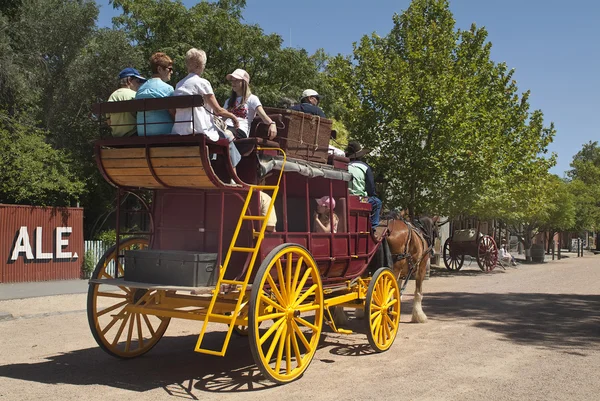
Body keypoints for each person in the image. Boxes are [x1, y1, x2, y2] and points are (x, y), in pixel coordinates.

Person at [171, 48, 241, 168]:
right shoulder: (203, 83)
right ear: (200, 65)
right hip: (199, 130)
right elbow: (218, 110)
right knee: (227, 138)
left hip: (179, 130)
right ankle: (233, 177)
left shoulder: (179, 84)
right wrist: (234, 117)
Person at [223, 68, 277, 140]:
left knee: (226, 135)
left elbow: (263, 116)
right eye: (232, 80)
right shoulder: (228, 101)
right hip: (225, 127)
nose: (233, 83)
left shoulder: (252, 99)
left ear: (244, 82)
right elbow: (222, 117)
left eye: (236, 80)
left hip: (240, 130)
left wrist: (272, 123)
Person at [136, 52, 175, 136]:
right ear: (160, 69)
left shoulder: (140, 89)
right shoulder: (168, 89)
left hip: (142, 134)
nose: (171, 72)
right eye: (170, 69)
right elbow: (174, 115)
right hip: (165, 134)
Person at [345, 141, 382, 230]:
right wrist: (373, 195)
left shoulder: (344, 166)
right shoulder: (364, 167)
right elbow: (371, 188)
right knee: (377, 202)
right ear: (360, 155)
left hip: (344, 199)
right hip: (359, 199)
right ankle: (373, 228)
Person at [107, 68, 146, 137]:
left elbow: (109, 121)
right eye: (137, 81)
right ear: (129, 80)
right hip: (134, 136)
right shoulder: (134, 95)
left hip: (116, 137)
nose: (139, 84)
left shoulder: (112, 96)